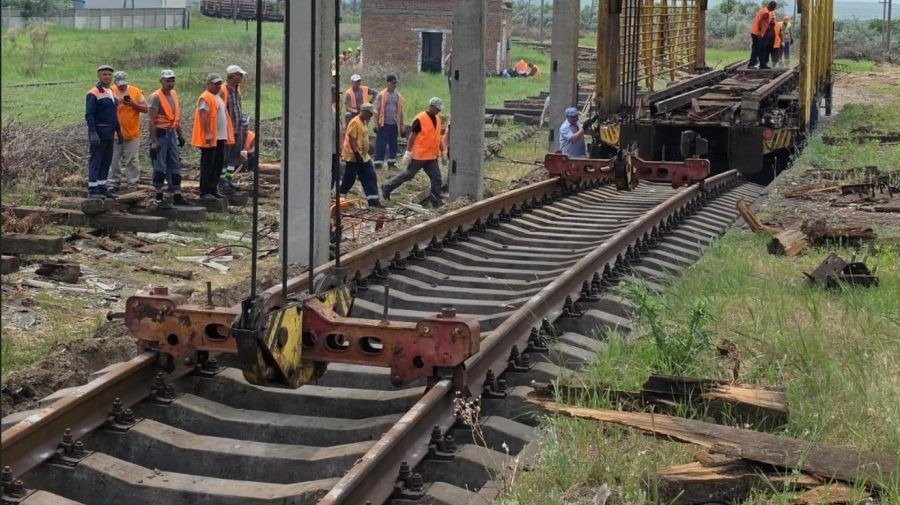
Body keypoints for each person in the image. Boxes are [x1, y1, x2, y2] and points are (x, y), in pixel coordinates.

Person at [381, 97, 445, 207]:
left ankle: (436, 201)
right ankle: (387, 187)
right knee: (408, 175)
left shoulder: (438, 119)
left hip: (431, 156)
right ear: (431, 106)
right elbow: (412, 136)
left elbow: (437, 137)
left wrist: (443, 151)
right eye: (437, 109)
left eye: (439, 109)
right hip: (419, 155)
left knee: (436, 178)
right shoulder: (420, 118)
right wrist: (408, 152)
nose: (438, 111)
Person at [192, 73, 233, 201]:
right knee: (208, 164)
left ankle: (213, 189)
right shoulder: (205, 97)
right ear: (208, 84)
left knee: (217, 164)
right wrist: (207, 132)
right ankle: (205, 191)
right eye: (215, 84)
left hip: (219, 137)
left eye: (219, 83)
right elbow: (203, 115)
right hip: (211, 138)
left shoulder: (217, 97)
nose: (218, 86)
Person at [148, 69, 186, 208]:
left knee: (175, 163)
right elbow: (151, 120)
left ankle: (177, 194)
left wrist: (180, 134)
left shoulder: (174, 94)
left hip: (171, 133)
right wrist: (153, 140)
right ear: (161, 81)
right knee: (160, 165)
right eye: (167, 81)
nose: (170, 83)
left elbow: (175, 118)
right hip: (160, 134)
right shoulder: (156, 97)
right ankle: (158, 196)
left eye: (172, 81)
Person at [85, 64, 122, 198]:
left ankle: (102, 187)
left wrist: (119, 131)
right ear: (99, 76)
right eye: (104, 74)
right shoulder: (93, 93)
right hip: (99, 133)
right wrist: (93, 132)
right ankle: (93, 189)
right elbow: (89, 114)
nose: (107, 77)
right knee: (96, 161)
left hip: (110, 133)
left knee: (106, 161)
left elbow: (114, 114)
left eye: (109, 74)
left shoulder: (111, 91)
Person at [108, 71, 147, 194]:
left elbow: (146, 108)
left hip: (132, 133)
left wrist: (133, 104)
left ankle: (132, 183)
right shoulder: (110, 91)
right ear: (115, 83)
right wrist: (116, 103)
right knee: (113, 160)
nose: (122, 86)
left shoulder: (136, 92)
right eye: (119, 84)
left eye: (124, 84)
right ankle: (113, 183)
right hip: (114, 133)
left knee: (132, 160)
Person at [340, 102, 381, 208]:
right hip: (353, 157)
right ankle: (340, 197)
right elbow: (352, 139)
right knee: (349, 179)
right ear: (365, 112)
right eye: (370, 114)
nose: (371, 116)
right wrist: (357, 154)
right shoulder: (355, 122)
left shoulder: (363, 122)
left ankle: (374, 202)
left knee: (370, 176)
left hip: (363, 156)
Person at [219, 64, 246, 194]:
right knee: (224, 157)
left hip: (238, 129)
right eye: (239, 75)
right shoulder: (222, 90)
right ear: (232, 75)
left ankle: (228, 179)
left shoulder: (237, 89)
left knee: (233, 157)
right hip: (227, 131)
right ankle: (222, 182)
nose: (241, 77)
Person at [372, 74, 405, 170]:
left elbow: (400, 111)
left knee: (393, 144)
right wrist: (376, 124)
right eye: (393, 83)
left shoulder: (398, 96)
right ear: (388, 83)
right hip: (384, 124)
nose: (395, 85)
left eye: (395, 83)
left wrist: (402, 124)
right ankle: (378, 163)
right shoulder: (381, 95)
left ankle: (391, 163)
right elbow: (376, 110)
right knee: (381, 144)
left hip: (394, 124)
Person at [748, 1, 777, 69]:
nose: (774, 9)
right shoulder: (766, 12)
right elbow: (760, 21)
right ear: (772, 7)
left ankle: (762, 64)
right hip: (757, 33)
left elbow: (762, 21)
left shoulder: (763, 9)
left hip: (755, 32)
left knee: (761, 49)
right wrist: (760, 32)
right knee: (756, 49)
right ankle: (751, 64)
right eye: (774, 8)